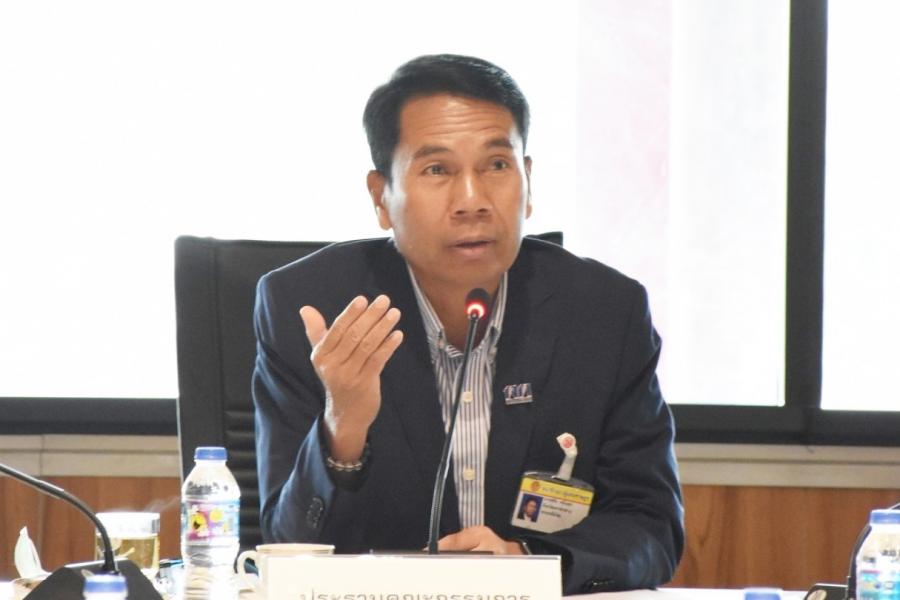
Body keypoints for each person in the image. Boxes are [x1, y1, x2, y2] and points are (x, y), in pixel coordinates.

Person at [252, 54, 684, 595]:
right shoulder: (312, 310)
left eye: (497, 165)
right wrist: (344, 428)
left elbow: (651, 527)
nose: (473, 201)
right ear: (381, 197)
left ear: (528, 180)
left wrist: (528, 562)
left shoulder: (603, 313)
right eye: (437, 170)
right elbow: (287, 549)